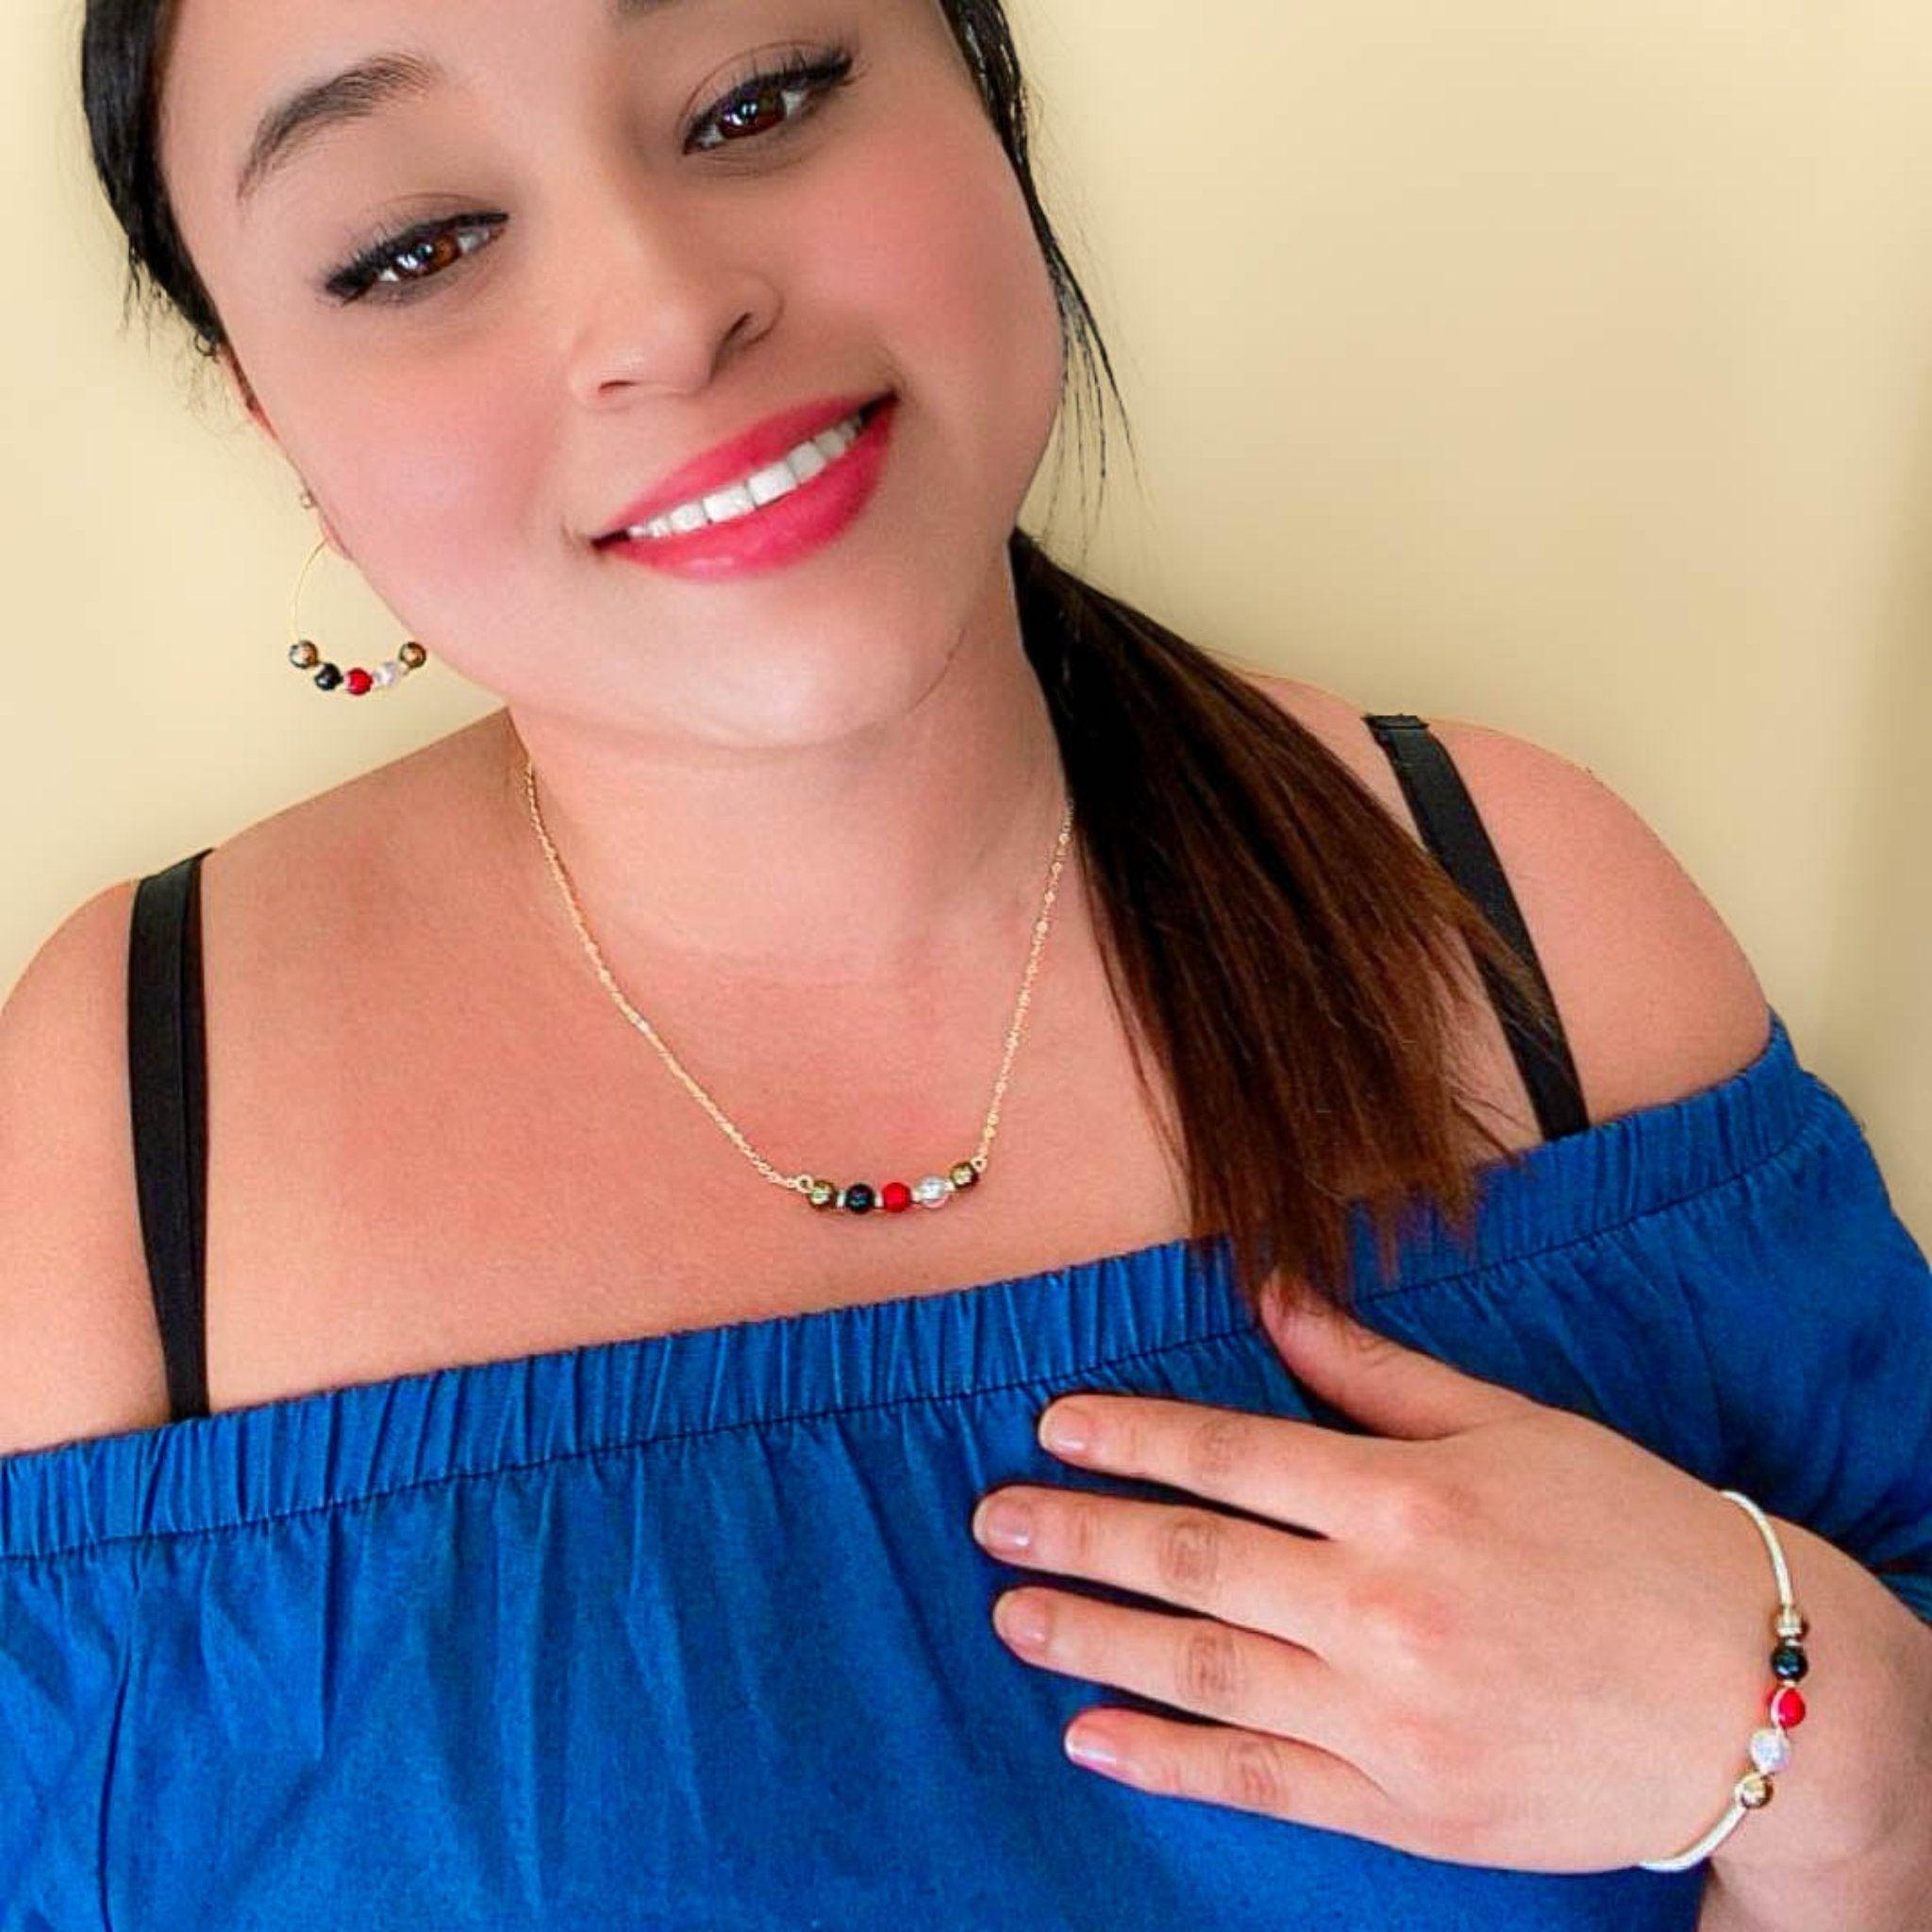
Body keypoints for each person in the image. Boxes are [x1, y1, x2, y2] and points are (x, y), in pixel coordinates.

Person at [1, 0, 1926, 1926]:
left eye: (756, 100)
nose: (662, 310)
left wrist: (1799, 1726)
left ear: (987, 97)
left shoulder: (1520, 927)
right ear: (276, 421)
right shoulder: (118, 1129)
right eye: (415, 248)